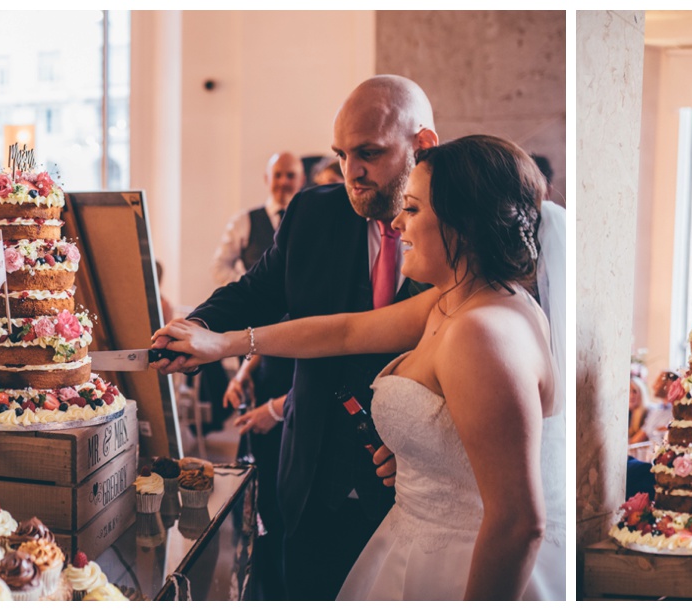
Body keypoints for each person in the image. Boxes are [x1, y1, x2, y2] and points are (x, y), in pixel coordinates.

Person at [155, 134, 563, 600]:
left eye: (412, 209)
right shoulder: (454, 300)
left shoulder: (482, 332)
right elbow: (346, 331)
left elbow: (518, 523)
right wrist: (222, 341)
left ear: (461, 223)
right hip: (415, 541)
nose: (397, 222)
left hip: (459, 566)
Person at [149, 76, 436, 600]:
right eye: (342, 155)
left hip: (412, 486)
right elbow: (257, 289)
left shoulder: (457, 231)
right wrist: (199, 328)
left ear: (422, 146)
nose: (352, 173)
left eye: (369, 153)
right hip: (313, 468)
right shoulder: (314, 213)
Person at [213, 152, 305, 285]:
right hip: (256, 304)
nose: (283, 181)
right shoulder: (243, 221)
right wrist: (245, 286)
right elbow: (219, 266)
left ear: (302, 180)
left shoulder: (308, 222)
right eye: (277, 175)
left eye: (290, 175)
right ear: (266, 179)